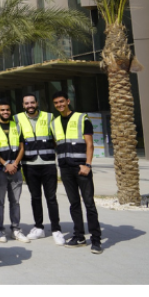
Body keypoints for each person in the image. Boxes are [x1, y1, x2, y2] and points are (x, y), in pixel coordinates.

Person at [52, 92, 103, 253]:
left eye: (62, 101)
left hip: (81, 167)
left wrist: (87, 164)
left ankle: (96, 240)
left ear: (68, 101)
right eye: (56, 103)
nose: (60, 105)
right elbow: (57, 144)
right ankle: (79, 236)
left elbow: (89, 144)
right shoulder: (55, 123)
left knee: (89, 204)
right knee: (74, 204)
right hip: (66, 168)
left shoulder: (82, 118)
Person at [16, 93, 61, 240]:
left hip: (48, 164)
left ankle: (56, 229)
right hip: (29, 165)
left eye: (32, 103)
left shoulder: (49, 117)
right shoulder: (17, 119)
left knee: (51, 197)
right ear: (23, 105)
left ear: (37, 103)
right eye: (27, 103)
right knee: (35, 197)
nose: (30, 106)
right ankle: (39, 227)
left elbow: (56, 138)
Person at [0, 100, 25, 243]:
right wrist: (5, 164)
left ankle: (16, 229)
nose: (5, 112)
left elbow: (22, 147)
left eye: (7, 110)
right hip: (0, 171)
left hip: (15, 170)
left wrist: (15, 164)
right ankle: (0, 230)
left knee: (15, 202)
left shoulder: (17, 126)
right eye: (2, 110)